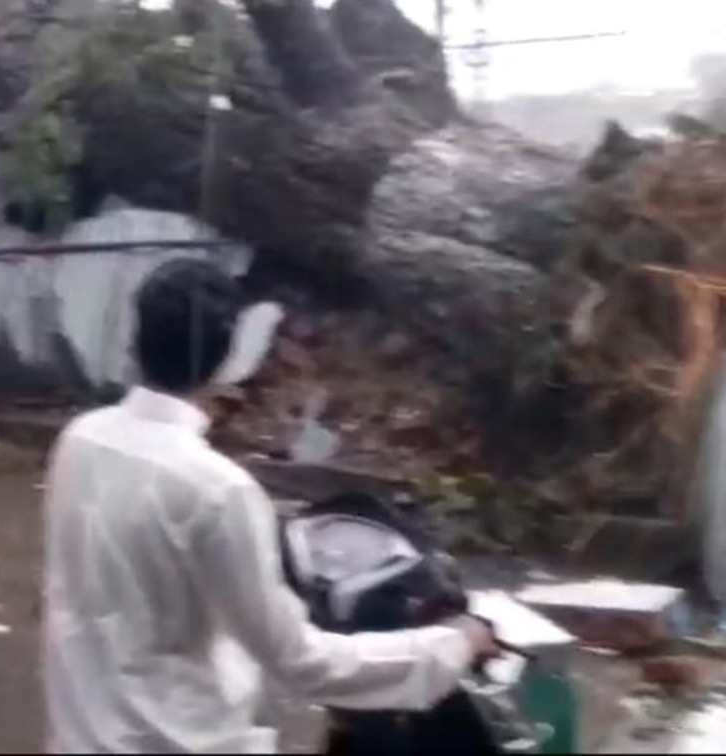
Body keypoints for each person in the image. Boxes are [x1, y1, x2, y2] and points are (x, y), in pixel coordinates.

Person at [42, 259, 496, 754]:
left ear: (134, 343)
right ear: (233, 361)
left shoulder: (78, 441)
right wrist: (451, 644)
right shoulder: (219, 490)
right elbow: (301, 661)